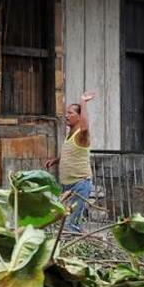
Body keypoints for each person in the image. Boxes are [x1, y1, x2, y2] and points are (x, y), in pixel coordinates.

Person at [46, 91, 95, 233]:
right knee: (62, 220)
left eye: (71, 113)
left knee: (71, 224)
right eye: (66, 113)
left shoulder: (82, 134)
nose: (66, 116)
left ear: (80, 117)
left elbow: (85, 126)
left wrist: (83, 102)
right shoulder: (70, 135)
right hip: (66, 186)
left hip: (80, 184)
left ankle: (76, 250)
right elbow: (71, 153)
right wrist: (56, 161)